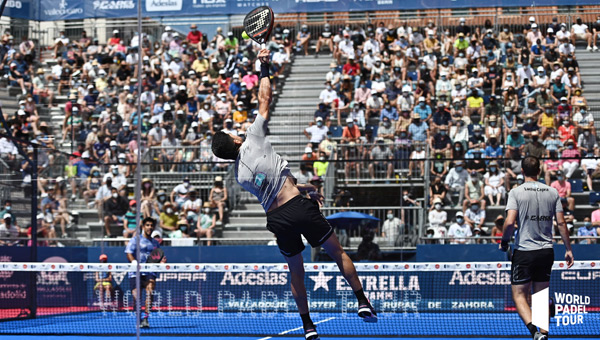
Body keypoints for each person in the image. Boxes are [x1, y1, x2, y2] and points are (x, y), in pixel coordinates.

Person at [211, 49, 376, 340]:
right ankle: (362, 302)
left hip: (277, 218)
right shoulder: (254, 137)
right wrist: (263, 66)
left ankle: (308, 326)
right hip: (299, 208)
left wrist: (306, 188)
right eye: (232, 132)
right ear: (235, 139)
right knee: (337, 254)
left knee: (296, 271)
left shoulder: (240, 176)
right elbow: (264, 99)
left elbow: (277, 186)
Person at [501, 156, 574, 340]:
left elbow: (509, 222)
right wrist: (568, 249)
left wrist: (504, 241)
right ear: (539, 172)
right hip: (546, 250)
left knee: (519, 295)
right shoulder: (552, 192)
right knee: (541, 295)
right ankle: (543, 335)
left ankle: (534, 331)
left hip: (524, 251)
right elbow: (562, 222)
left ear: (522, 172)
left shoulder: (515, 192)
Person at [125, 217, 167, 329]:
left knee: (150, 292)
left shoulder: (155, 243)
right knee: (136, 297)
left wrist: (161, 261)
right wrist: (134, 262)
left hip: (149, 271)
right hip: (136, 272)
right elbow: (129, 253)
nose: (150, 227)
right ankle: (138, 317)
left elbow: (158, 257)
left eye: (151, 225)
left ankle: (146, 319)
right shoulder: (135, 240)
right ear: (143, 227)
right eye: (147, 225)